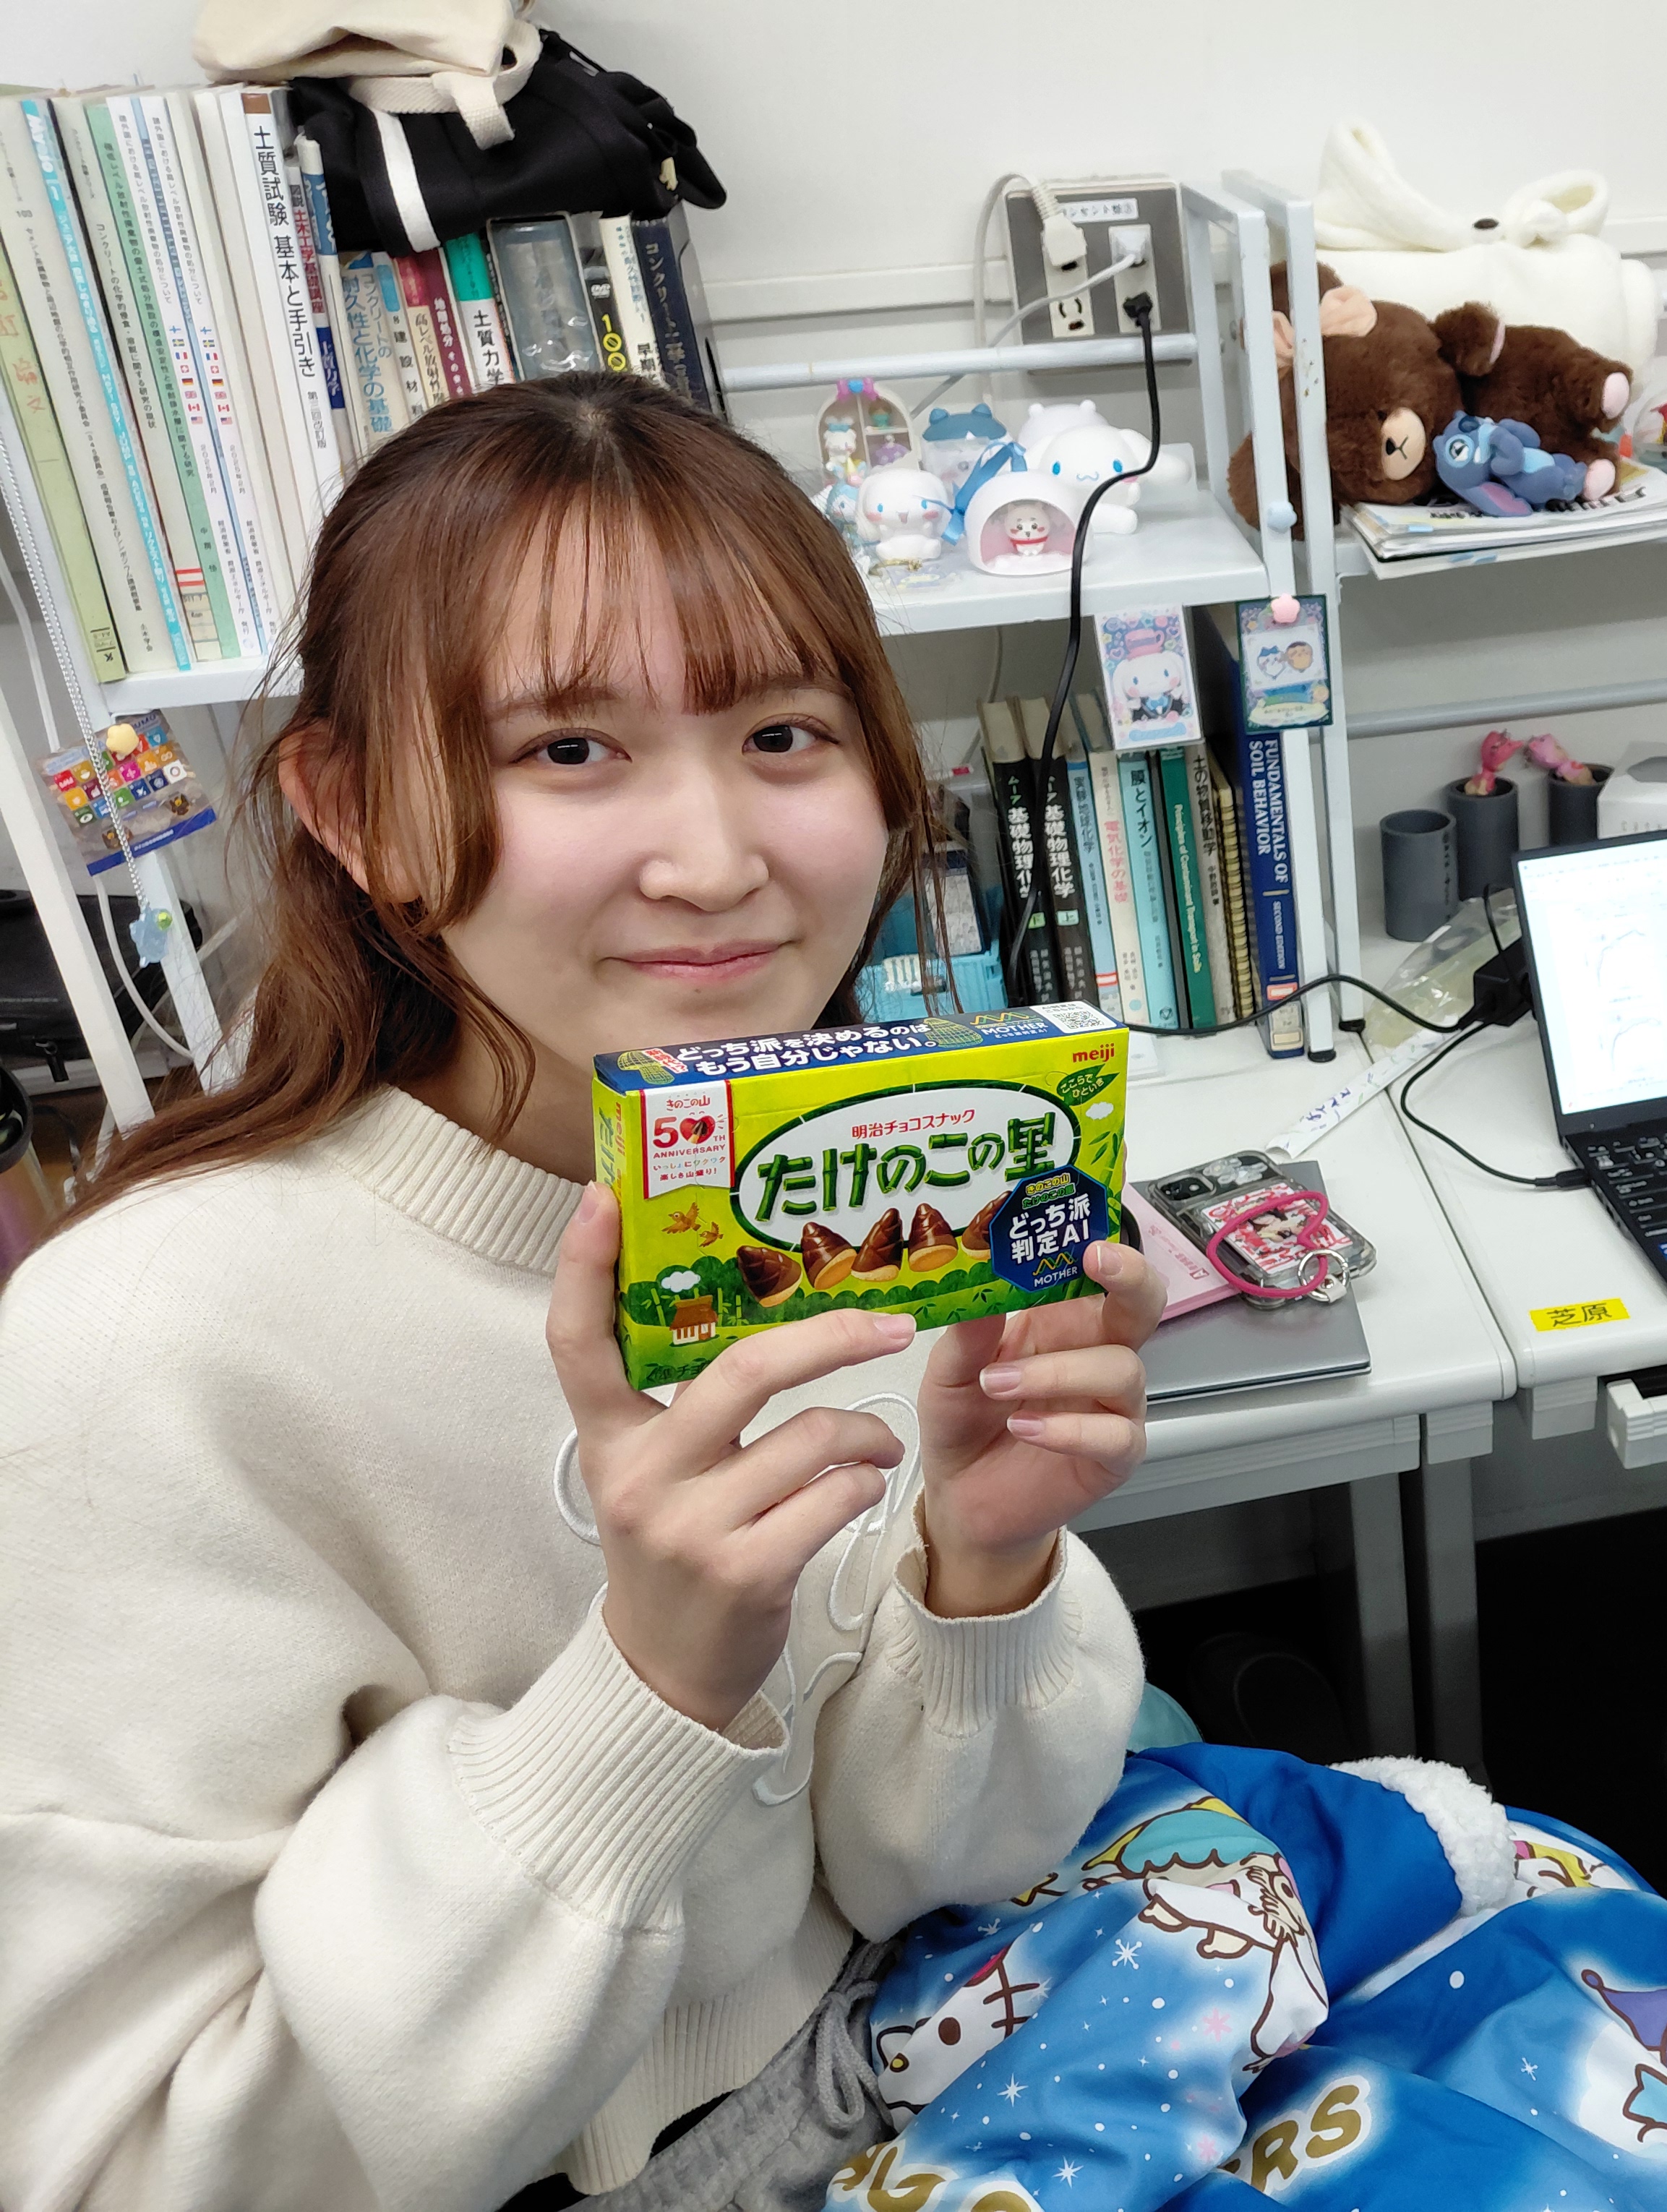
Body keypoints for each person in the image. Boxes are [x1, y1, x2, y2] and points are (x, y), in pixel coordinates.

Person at [0, 376, 1165, 2211]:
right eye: (567, 750)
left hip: (898, 2053)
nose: (717, 864)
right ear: (357, 812)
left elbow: (921, 1880)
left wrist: (983, 1576)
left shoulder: (853, 1200)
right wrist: (649, 1683)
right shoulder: (141, 1353)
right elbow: (122, 2166)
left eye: (784, 732)